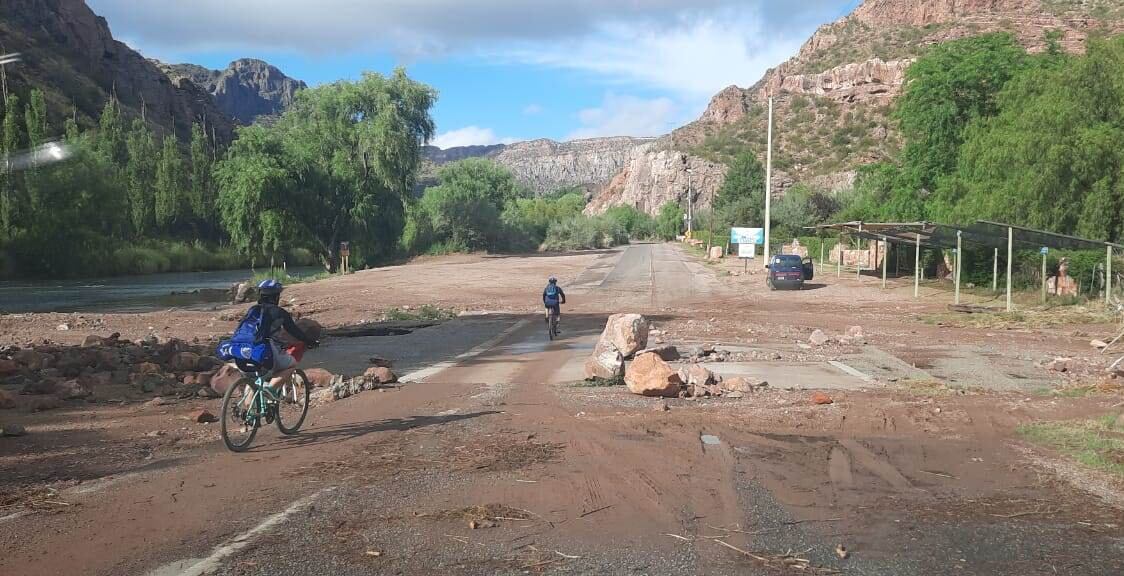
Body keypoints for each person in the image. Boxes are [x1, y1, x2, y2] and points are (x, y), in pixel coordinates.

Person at [252, 279, 318, 389]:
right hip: (264, 350)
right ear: (276, 297)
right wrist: (310, 342)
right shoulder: (279, 313)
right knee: (291, 365)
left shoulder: (252, 310)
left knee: (253, 378)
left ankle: (248, 404)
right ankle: (270, 389)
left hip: (243, 352)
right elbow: (295, 332)